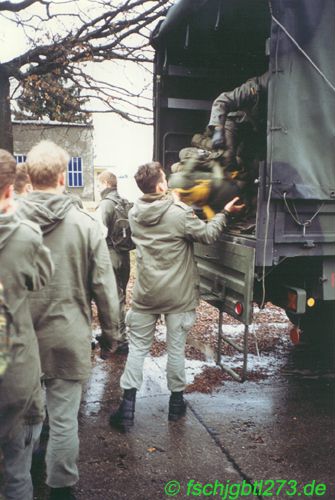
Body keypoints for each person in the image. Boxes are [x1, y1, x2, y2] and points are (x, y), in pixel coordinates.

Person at [17, 140, 120, 500]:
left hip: (19, 341)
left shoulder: (8, 223)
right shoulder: (86, 226)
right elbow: (104, 286)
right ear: (63, 178)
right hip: (67, 337)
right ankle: (61, 490)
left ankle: (24, 478)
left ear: (27, 177)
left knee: (23, 419)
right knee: (63, 420)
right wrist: (111, 334)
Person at [109, 161, 244, 432]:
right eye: (165, 179)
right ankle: (175, 405)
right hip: (178, 297)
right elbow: (207, 235)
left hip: (146, 295)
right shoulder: (179, 214)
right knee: (175, 349)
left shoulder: (135, 213)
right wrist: (224, 213)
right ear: (160, 185)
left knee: (137, 349)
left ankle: (127, 408)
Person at [0, 150, 54, 500]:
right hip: (12, 368)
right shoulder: (25, 235)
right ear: (9, 191)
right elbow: (42, 278)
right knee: (16, 465)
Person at [96, 170, 133, 354]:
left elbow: (99, 233)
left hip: (110, 254)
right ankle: (118, 336)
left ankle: (120, 340)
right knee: (120, 297)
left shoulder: (105, 204)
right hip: (124, 256)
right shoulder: (125, 202)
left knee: (111, 298)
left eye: (98, 184)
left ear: (104, 184)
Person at [208, 72, 269, 150]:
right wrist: (218, 131)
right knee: (226, 155)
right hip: (234, 120)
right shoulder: (252, 88)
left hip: (254, 128)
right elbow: (221, 101)